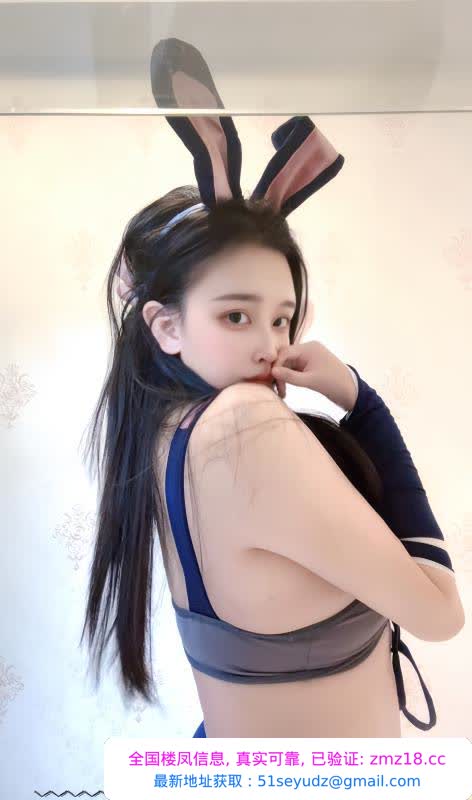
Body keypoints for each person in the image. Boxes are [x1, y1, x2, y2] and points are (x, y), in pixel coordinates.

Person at [79, 38, 464, 738]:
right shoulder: (245, 426)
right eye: (236, 315)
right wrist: (362, 402)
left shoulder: (168, 423)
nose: (270, 344)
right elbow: (440, 612)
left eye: (281, 317)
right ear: (167, 325)